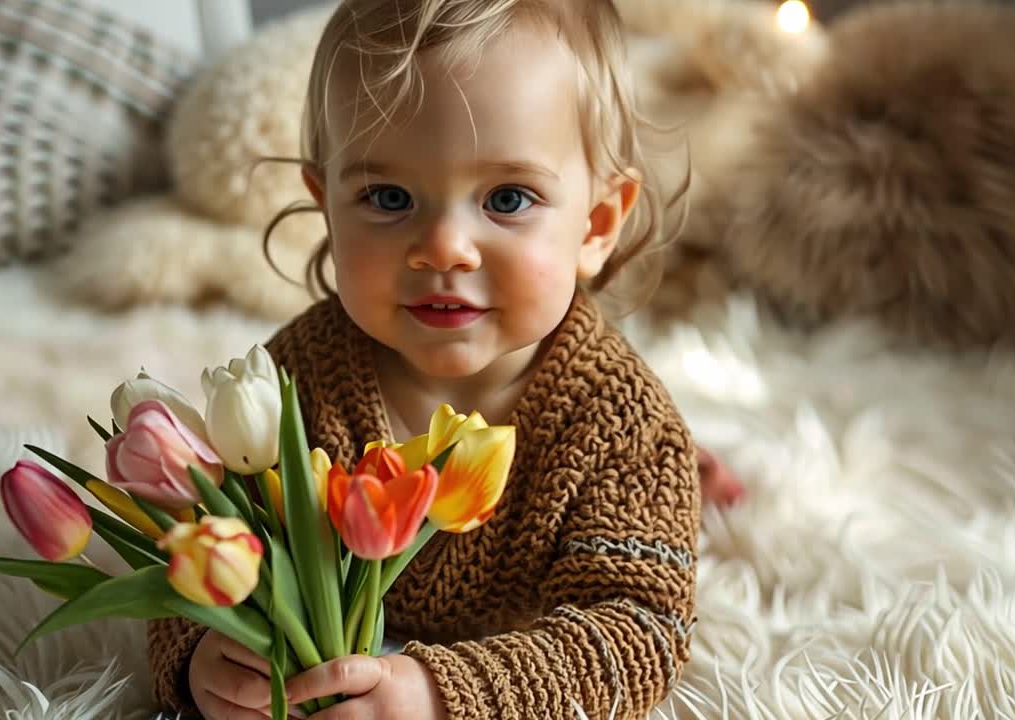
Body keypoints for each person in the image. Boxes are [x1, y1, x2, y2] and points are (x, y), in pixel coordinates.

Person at [149, 1, 729, 717]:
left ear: (597, 225)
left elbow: (639, 631)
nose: (445, 246)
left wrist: (440, 696)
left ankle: (700, 472)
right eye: (388, 197)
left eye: (508, 198)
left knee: (651, 501)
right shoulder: (299, 382)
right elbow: (203, 548)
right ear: (325, 203)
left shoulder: (620, 423)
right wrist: (201, 651)